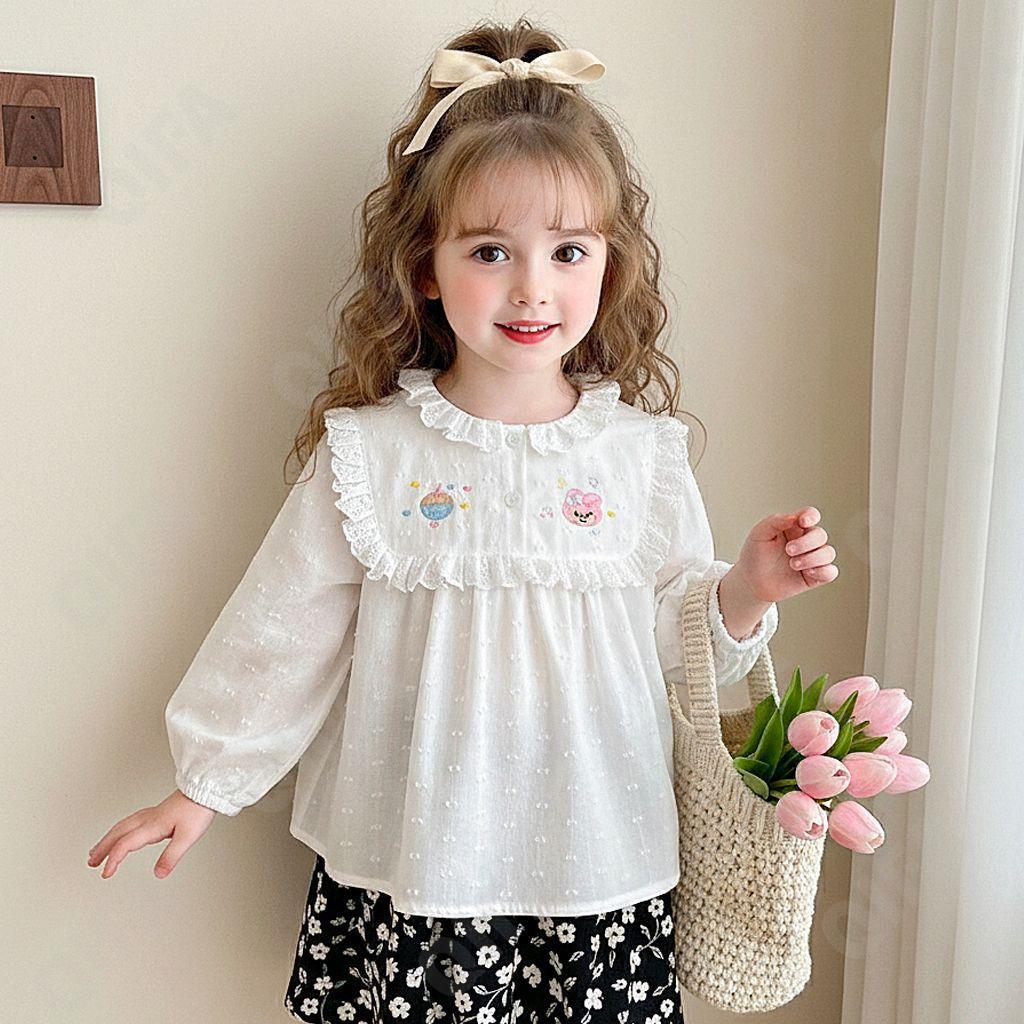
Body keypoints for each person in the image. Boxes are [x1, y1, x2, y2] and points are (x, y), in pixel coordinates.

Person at [86, 17, 839, 1024]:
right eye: (491, 250)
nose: (533, 287)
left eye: (567, 251)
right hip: (423, 858)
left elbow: (671, 639)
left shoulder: (639, 455)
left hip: (601, 854)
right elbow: (284, 628)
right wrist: (203, 786)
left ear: (608, 266)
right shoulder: (373, 455)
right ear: (426, 268)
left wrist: (747, 587)